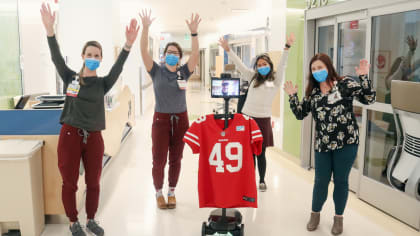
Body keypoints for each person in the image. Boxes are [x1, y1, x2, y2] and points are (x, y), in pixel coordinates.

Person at [40, 3, 139, 236]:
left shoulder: (103, 83)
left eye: (97, 55)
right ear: (83, 56)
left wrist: (128, 44)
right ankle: (74, 222)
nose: (93, 58)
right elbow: (55, 58)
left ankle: (91, 219)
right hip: (70, 135)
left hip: (94, 137)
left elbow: (119, 66)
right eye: (89, 54)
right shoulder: (70, 77)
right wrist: (49, 31)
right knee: (70, 183)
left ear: (101, 59)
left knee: (94, 182)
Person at [283, 54, 376, 235]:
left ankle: (338, 218)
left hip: (346, 143)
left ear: (328, 66)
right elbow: (301, 113)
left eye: (320, 67)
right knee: (320, 182)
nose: (317, 71)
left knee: (341, 182)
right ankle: (315, 214)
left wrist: (364, 77)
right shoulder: (314, 93)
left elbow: (369, 99)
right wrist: (293, 96)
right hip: (323, 145)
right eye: (314, 69)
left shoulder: (345, 84)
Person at [139, 9, 201, 209]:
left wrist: (194, 34)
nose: (172, 55)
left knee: (176, 158)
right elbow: (143, 52)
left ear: (180, 57)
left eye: (176, 53)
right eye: (169, 53)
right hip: (161, 120)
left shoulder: (184, 72)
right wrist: (146, 28)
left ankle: (172, 190)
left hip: (181, 120)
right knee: (159, 159)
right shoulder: (156, 70)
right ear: (164, 56)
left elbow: (196, 56)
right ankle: (158, 192)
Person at [218, 34, 295, 191]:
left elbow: (282, 65)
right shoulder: (252, 77)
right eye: (259, 65)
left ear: (269, 65)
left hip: (263, 120)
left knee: (261, 152)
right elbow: (239, 65)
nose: (261, 66)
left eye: (264, 64)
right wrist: (228, 51)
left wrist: (287, 47)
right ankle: (248, 179)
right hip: (247, 118)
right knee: (248, 153)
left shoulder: (275, 80)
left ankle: (261, 180)